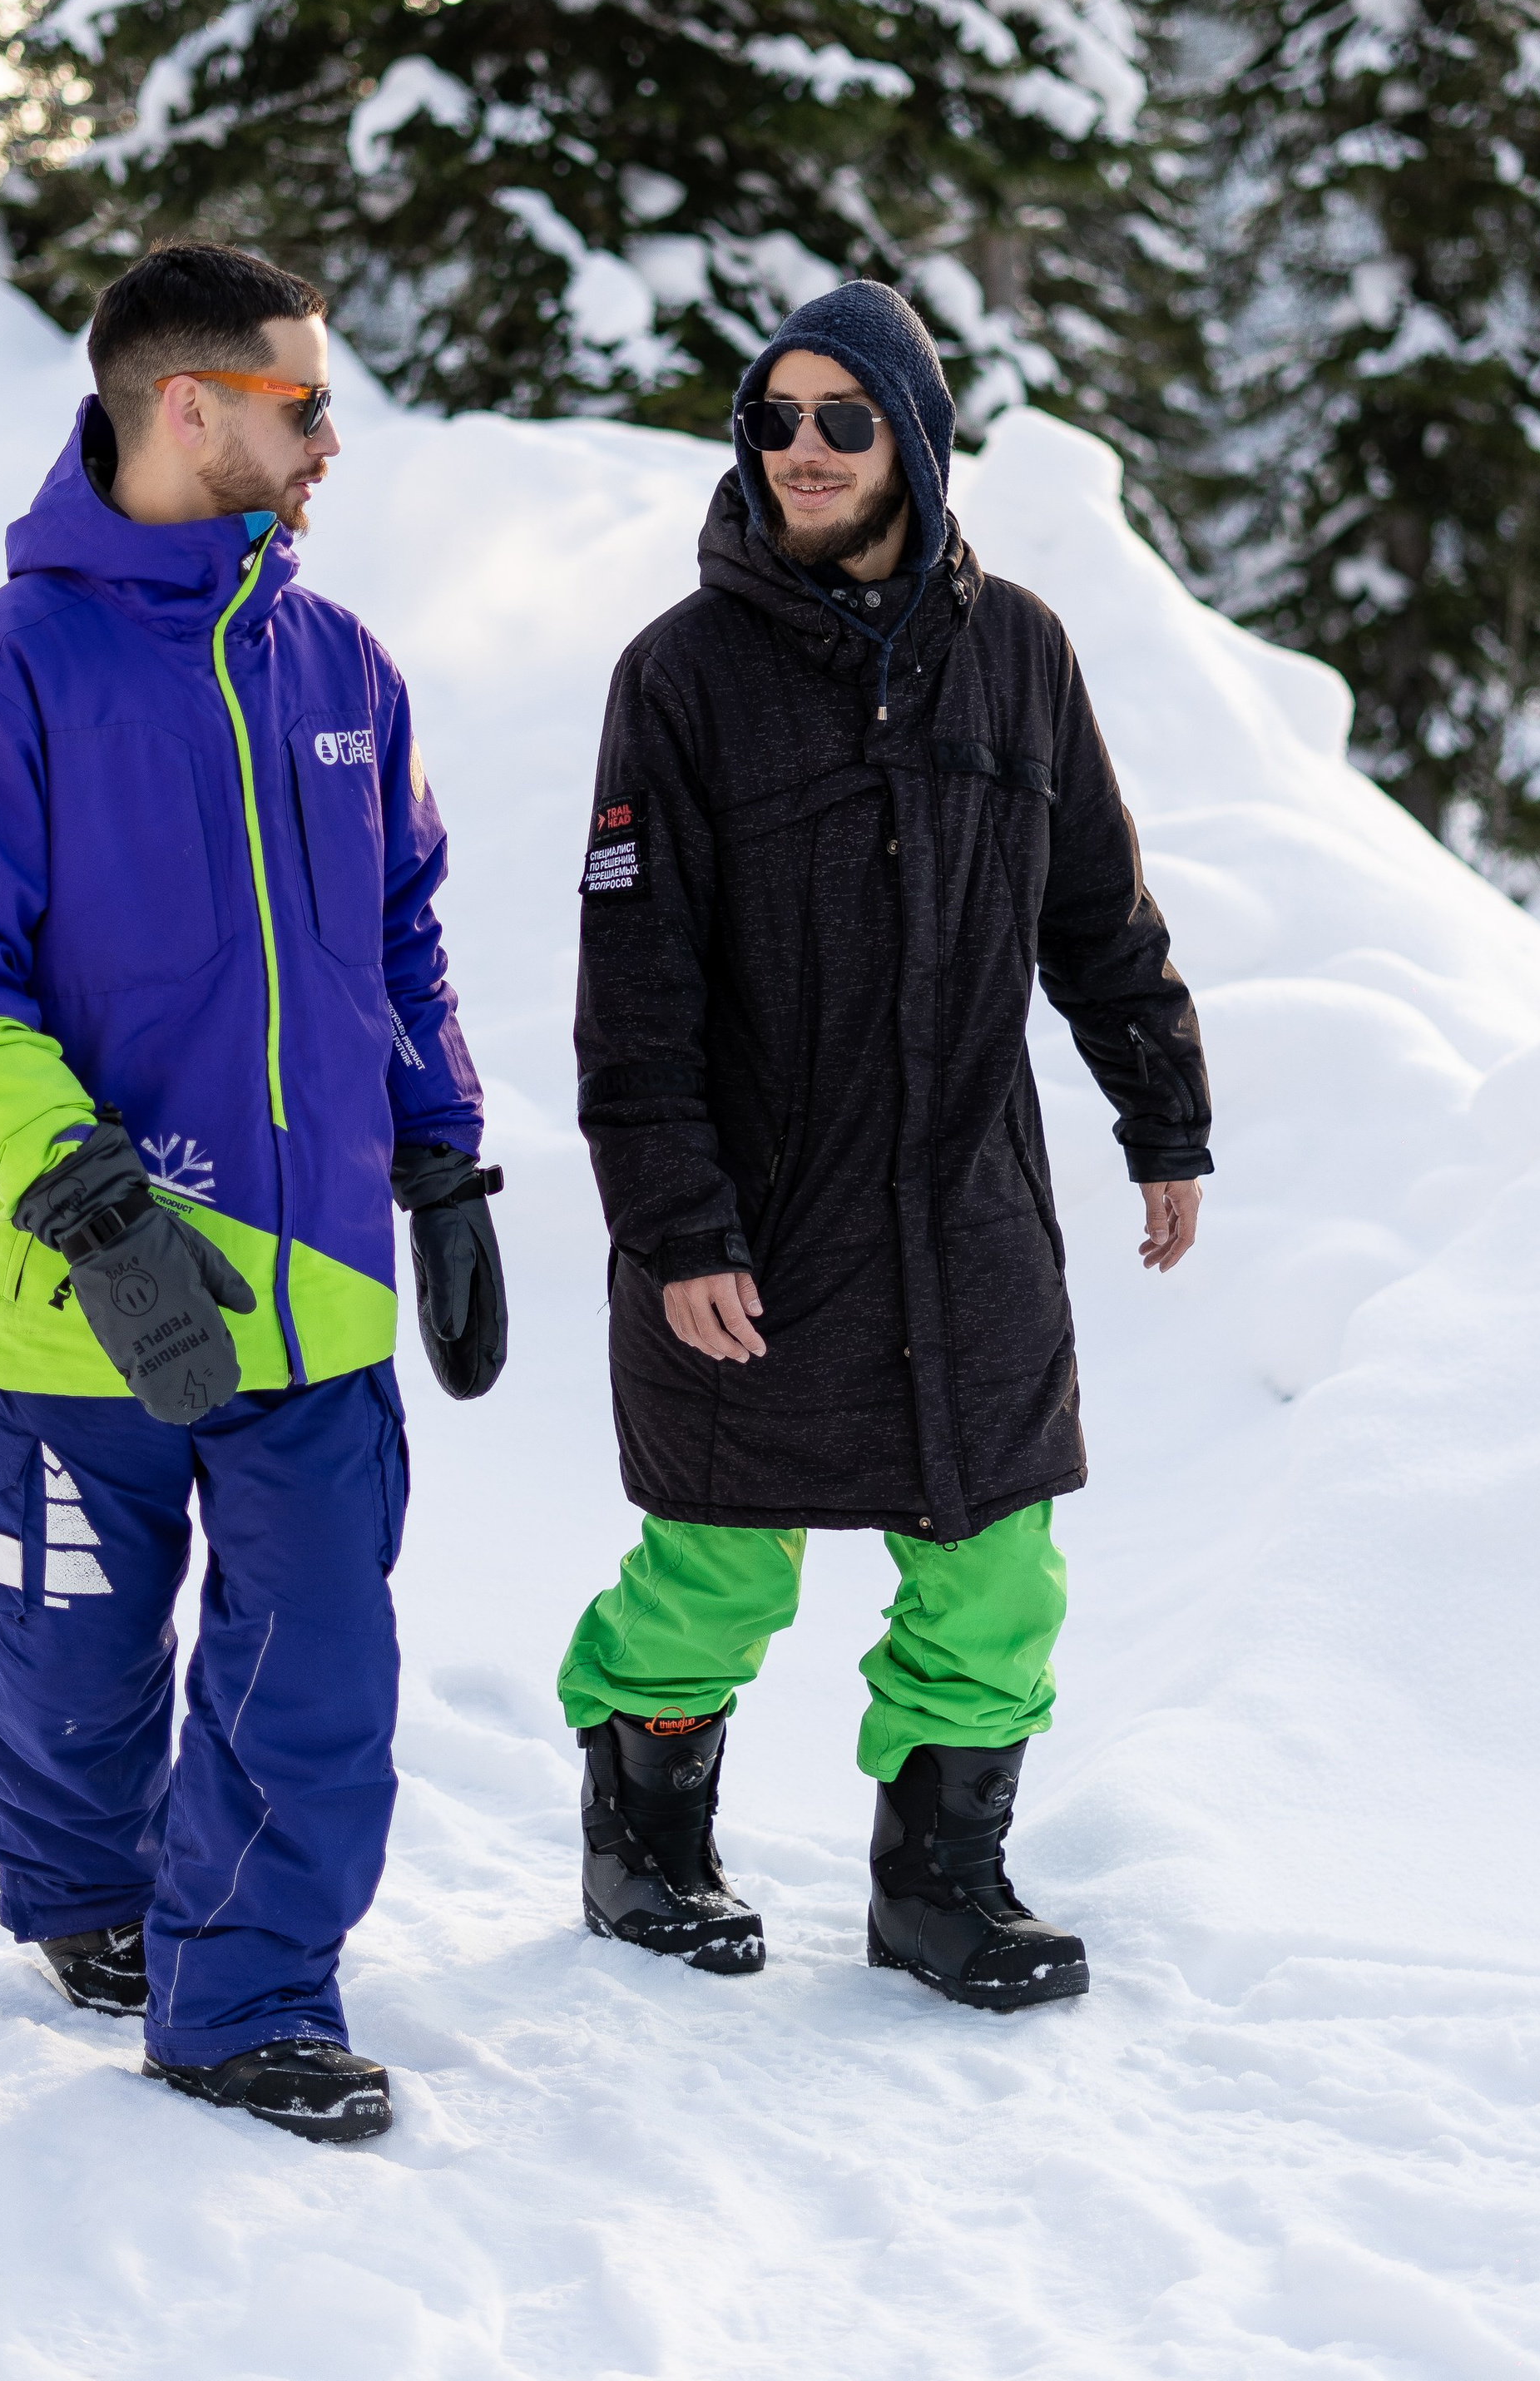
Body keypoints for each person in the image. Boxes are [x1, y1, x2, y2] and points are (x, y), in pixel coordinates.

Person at [0, 241, 499, 2144]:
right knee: (70, 1665)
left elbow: (400, 928)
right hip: (76, 1302)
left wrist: (442, 1154)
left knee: (320, 1672)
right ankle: (82, 1894)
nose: (330, 444)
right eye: (306, 406)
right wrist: (90, 1201)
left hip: (314, 1295)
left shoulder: (339, 666)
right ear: (191, 405)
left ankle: (247, 2000)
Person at [559, 280, 1212, 2012]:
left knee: (996, 1564)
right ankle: (645, 1849)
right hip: (758, 1215)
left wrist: (1162, 1115)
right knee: (714, 1562)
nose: (802, 449)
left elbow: (1098, 913)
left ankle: (939, 1887)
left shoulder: (1021, 653)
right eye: (773, 419)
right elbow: (633, 985)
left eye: (841, 419)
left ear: (913, 441)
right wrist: (676, 1228)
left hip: (967, 1206)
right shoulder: (680, 676)